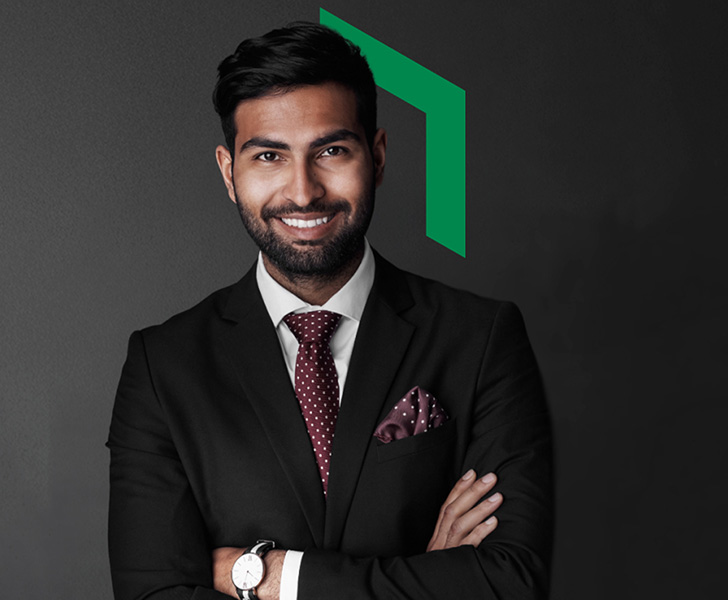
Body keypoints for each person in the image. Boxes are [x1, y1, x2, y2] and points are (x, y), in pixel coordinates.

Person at [107, 22, 553, 600]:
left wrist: (269, 576)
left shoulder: (482, 337)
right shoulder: (162, 366)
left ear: (379, 156)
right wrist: (426, 577)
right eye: (269, 155)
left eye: (332, 151)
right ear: (228, 172)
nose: (303, 191)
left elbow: (509, 584)